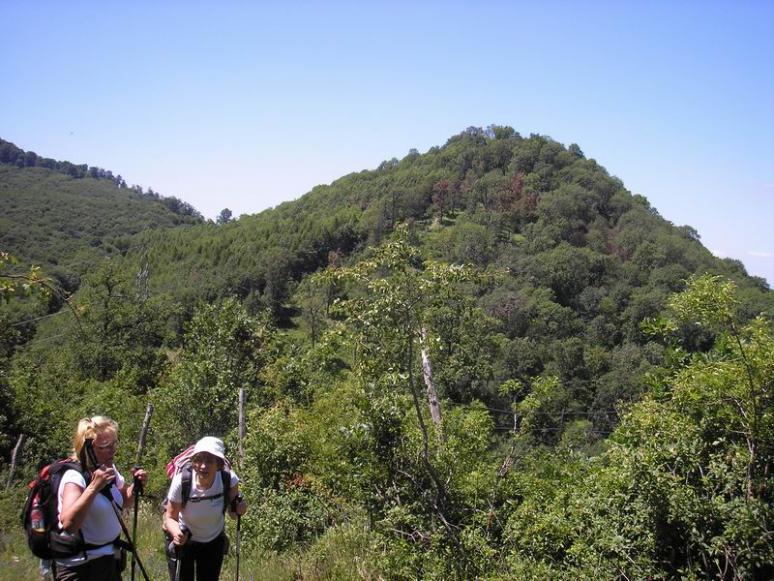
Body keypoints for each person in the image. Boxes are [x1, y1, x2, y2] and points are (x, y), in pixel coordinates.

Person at [55, 416, 148, 581]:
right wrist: (93, 487)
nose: (113, 451)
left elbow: (124, 501)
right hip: (82, 568)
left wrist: (136, 487)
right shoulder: (74, 477)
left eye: (114, 444)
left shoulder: (107, 469)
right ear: (88, 448)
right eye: (106, 446)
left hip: (109, 561)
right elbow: (69, 524)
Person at [163, 436, 247, 581]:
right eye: (199, 460)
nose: (203, 466)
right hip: (185, 538)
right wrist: (176, 532)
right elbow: (169, 517)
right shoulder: (182, 481)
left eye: (209, 461)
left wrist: (240, 509)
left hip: (213, 541)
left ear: (219, 464)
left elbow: (233, 514)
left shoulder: (229, 479)